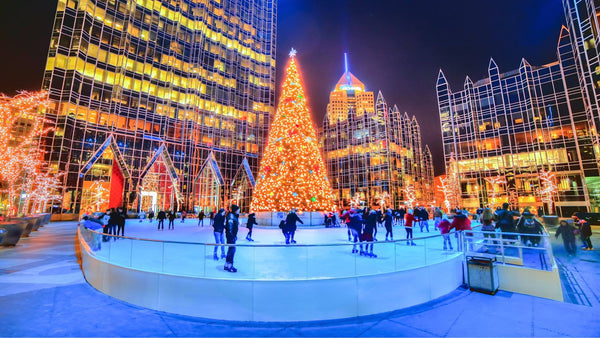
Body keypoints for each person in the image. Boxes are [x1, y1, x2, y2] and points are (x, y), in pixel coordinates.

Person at [224, 204, 240, 272]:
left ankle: (227, 265)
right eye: (238, 210)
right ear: (235, 210)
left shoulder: (233, 216)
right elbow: (230, 227)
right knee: (232, 250)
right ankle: (230, 265)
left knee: (231, 249)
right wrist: (232, 236)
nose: (239, 211)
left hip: (232, 235)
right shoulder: (231, 216)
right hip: (231, 236)